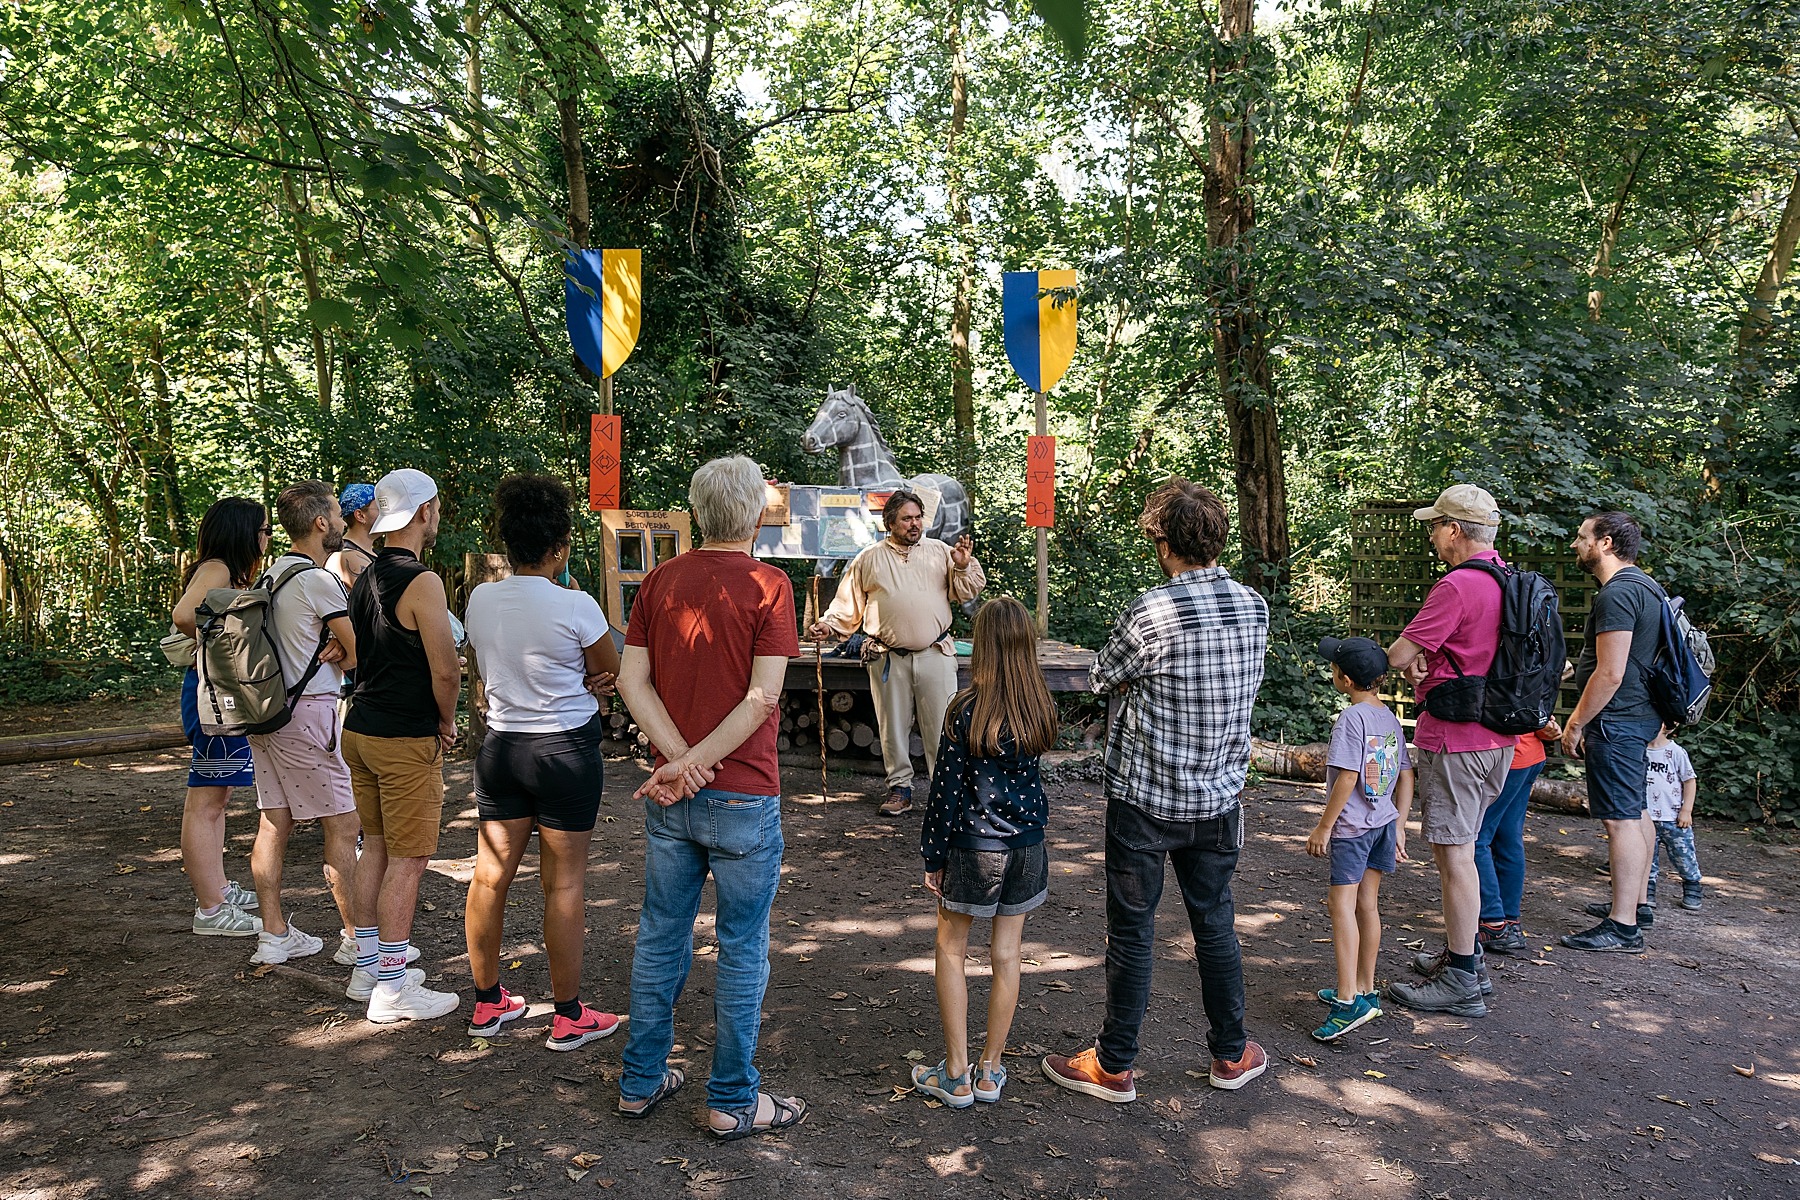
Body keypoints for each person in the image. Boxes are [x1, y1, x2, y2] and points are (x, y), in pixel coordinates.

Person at [1041, 479, 1270, 1103]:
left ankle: (1114, 1064)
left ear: (1162, 540)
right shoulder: (1254, 606)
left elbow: (1100, 677)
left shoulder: (1152, 610)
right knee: (1216, 923)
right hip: (1220, 796)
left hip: (1145, 797)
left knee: (1133, 931)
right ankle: (1231, 1052)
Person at [614, 456, 807, 1139]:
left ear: (696, 513)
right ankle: (730, 1098)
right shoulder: (770, 585)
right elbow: (763, 700)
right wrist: (692, 762)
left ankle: (640, 1081)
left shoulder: (660, 581)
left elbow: (630, 683)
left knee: (661, 934)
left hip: (671, 797)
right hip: (743, 795)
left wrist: (676, 762)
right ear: (756, 514)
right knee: (742, 944)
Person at [463, 474, 623, 1051]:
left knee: (490, 874)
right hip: (564, 751)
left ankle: (488, 1002)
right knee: (564, 884)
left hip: (501, 748)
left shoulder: (480, 598)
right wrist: (589, 677)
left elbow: (484, 660)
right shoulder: (576, 604)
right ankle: (568, 1013)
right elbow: (609, 668)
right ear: (560, 545)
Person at [912, 596, 1058, 1108]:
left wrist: (933, 856)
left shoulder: (965, 710)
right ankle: (991, 1071)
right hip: (1026, 848)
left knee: (951, 948)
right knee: (1007, 955)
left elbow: (945, 792)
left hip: (973, 849)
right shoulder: (1040, 708)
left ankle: (955, 1072)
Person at [1383, 484, 1512, 1018]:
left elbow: (1397, 654)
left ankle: (1462, 976)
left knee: (1455, 855)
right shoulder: (1511, 580)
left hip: (1456, 738)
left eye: (1436, 524)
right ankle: (1467, 956)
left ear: (1455, 530)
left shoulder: (1458, 586)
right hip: (1499, 737)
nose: (1433, 533)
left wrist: (1414, 661)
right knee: (1467, 848)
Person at [341, 468, 461, 1022]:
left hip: (360, 729)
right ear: (422, 512)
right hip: (402, 735)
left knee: (379, 846)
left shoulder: (364, 575)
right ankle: (391, 988)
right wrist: (446, 721)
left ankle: (369, 966)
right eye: (435, 506)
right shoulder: (423, 581)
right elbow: (446, 669)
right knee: (410, 857)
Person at [806, 490, 986, 816]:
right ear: (890, 522)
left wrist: (961, 567)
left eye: (917, 517)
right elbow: (847, 607)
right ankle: (899, 789)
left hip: (935, 653)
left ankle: (946, 792)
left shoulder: (941, 552)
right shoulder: (869, 558)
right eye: (907, 518)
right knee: (892, 728)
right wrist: (828, 627)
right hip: (887, 657)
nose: (914, 524)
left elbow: (969, 589)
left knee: (942, 727)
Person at [245, 481, 362, 966]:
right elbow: (359, 651)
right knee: (343, 823)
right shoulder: (317, 580)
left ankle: (274, 935)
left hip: (266, 712)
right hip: (309, 714)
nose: (341, 522)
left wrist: (334, 646)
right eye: (336, 514)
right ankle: (360, 942)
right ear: (321, 523)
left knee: (274, 821)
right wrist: (343, 650)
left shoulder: (270, 576)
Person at [1560, 511, 1665, 953]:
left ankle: (1622, 926)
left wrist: (1576, 721)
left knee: (1618, 819)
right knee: (1635, 809)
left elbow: (1610, 672)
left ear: (1604, 543)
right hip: (1641, 716)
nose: (1575, 545)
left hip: (1617, 720)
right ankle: (1636, 903)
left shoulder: (1618, 594)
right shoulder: (1647, 586)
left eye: (1582, 537)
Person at [1306, 637, 1414, 1043]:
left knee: (1341, 907)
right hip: (1382, 823)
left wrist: (1324, 827)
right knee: (1367, 905)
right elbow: (1406, 774)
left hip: (1352, 829)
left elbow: (1348, 777)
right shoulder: (1388, 717)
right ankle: (1366, 988)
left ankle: (1347, 1000)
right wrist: (1400, 824)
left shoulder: (1351, 720)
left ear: (1345, 679)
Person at [171, 497, 269, 937]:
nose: (267, 538)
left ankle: (219, 889)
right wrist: (226, 649)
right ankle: (210, 909)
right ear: (243, 533)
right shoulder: (216, 570)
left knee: (217, 798)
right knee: (206, 802)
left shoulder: (223, 571)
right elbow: (183, 615)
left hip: (218, 696)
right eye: (263, 530)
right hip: (213, 699)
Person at [1471, 717, 1561, 956]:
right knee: (1508, 838)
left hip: (1507, 757)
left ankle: (1493, 922)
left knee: (1475, 839)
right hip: (1529, 754)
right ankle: (1509, 921)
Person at [1643, 727, 1703, 912]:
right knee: (1646, 857)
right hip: (1646, 816)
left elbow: (1689, 780)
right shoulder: (1640, 750)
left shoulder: (1675, 751)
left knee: (1683, 855)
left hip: (1673, 818)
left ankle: (1692, 884)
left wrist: (1687, 809)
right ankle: (1647, 889)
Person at [327, 483, 378, 592]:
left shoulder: (375, 553)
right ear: (360, 515)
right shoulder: (344, 556)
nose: (386, 512)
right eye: (379, 506)